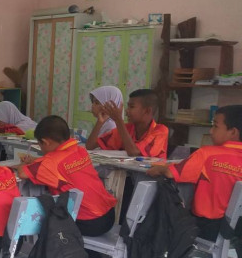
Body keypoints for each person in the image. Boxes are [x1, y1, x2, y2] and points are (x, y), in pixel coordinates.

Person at [15, 115, 116, 258]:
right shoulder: (79, 150)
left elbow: (22, 173)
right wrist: (39, 160)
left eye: (40, 145)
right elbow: (59, 163)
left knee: (49, 222)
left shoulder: (51, 162)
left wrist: (24, 164)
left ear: (45, 142)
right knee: (70, 216)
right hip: (108, 215)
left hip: (90, 223)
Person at [148, 105, 242, 241]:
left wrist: (159, 168)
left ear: (233, 132)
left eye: (215, 126)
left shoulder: (207, 153)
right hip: (236, 229)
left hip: (208, 227)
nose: (211, 131)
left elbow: (171, 173)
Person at [88, 88, 168, 158]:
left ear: (147, 111)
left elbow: (134, 152)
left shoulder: (160, 131)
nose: (126, 111)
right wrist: (100, 122)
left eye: (131, 107)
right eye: (128, 106)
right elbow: (90, 146)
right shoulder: (127, 128)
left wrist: (119, 120)